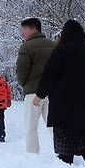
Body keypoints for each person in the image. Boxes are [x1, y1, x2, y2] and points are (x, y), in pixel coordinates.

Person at [35, 20, 85, 168]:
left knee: (65, 140)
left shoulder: (61, 52)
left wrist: (39, 95)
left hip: (64, 105)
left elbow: (49, 76)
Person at [15, 18, 57, 153]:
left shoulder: (26, 47)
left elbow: (21, 71)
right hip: (53, 92)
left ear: (33, 28)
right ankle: (62, 152)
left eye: (24, 30)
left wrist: (25, 84)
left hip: (33, 93)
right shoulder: (54, 45)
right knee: (54, 125)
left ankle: (32, 155)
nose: (23, 34)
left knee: (31, 127)